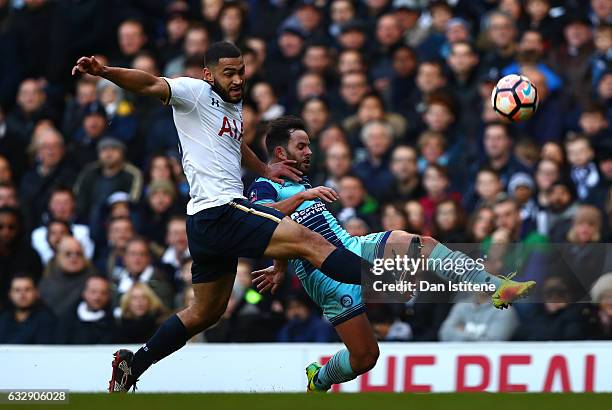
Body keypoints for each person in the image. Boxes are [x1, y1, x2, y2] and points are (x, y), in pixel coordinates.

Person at [71, 41, 401, 393]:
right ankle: (389, 280)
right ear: (208, 74)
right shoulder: (193, 92)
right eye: (229, 73)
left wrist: (264, 169)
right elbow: (150, 83)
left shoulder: (232, 107)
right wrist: (105, 72)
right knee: (310, 241)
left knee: (206, 312)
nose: (238, 79)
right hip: (223, 209)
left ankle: (132, 364)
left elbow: (234, 144)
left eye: (241, 71)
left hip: (203, 222)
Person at [248, 116, 535, 392]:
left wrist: (280, 266)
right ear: (279, 151)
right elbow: (262, 220)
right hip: (323, 276)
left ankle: (495, 286)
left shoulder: (301, 181)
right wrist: (299, 203)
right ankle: (320, 377)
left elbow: (286, 234)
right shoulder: (264, 185)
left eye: (309, 144)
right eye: (301, 146)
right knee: (364, 357)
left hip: (352, 246)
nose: (309, 151)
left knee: (422, 244)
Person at [0, 274, 55, 344]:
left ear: (36, 293)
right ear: (10, 294)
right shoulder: (3, 319)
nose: (22, 295)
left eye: (27, 289)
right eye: (17, 290)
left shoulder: (47, 320)